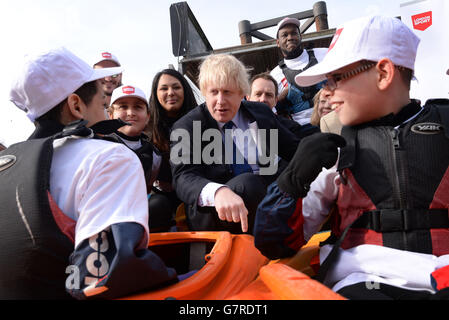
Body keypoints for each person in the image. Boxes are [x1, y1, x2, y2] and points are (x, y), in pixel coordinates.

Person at [254, 15, 449, 300]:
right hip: (361, 282)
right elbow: (274, 244)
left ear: (383, 74)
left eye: (336, 78)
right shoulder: (334, 150)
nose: (326, 91)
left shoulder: (445, 128)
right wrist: (291, 181)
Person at [1, 47, 180, 299]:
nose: (105, 100)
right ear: (76, 104)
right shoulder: (110, 158)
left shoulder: (7, 163)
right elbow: (105, 276)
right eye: (98, 90)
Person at [170, 54, 300, 234]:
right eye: (214, 92)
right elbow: (183, 177)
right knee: (249, 184)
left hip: (267, 199)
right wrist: (218, 192)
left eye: (228, 92)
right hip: (215, 215)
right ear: (204, 92)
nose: (220, 101)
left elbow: (293, 149)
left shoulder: (261, 113)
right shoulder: (185, 127)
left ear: (242, 93)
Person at [147, 68, 198, 231]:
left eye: (176, 87)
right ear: (156, 93)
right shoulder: (145, 130)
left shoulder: (202, 123)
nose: (170, 93)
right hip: (161, 198)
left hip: (196, 194)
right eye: (164, 88)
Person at [270, 17, 327, 126]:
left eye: (294, 33)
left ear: (301, 37)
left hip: (331, 118)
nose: (290, 38)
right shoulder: (274, 75)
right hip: (300, 130)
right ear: (278, 42)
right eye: (285, 35)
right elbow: (271, 110)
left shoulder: (323, 54)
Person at [247, 72, 319, 139]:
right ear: (248, 98)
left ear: (275, 101)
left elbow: (272, 151)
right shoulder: (237, 123)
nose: (263, 99)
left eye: (269, 95)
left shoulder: (291, 130)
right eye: (258, 94)